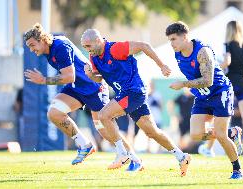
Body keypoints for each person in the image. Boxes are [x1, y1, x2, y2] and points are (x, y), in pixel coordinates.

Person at [23, 23, 141, 171]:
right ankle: (85, 145)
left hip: (92, 86)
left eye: (32, 45)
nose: (31, 49)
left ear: (42, 40)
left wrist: (44, 80)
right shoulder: (48, 51)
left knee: (104, 129)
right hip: (77, 88)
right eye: (29, 46)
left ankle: (135, 159)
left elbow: (70, 76)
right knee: (54, 113)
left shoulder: (59, 46)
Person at [81, 29, 191, 176]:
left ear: (98, 41)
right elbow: (100, 78)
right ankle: (182, 157)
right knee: (152, 132)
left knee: (103, 116)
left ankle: (123, 154)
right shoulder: (94, 57)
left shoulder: (115, 48)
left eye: (88, 46)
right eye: (84, 47)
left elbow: (144, 46)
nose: (86, 49)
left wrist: (162, 65)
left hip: (133, 91)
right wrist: (91, 75)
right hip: (127, 94)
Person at [165, 21, 243, 179]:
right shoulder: (178, 53)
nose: (171, 43)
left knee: (221, 135)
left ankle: (238, 170)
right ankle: (232, 132)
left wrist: (183, 84)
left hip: (220, 92)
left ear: (185, 36)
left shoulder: (202, 51)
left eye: (173, 39)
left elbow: (208, 80)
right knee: (195, 134)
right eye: (169, 40)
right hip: (202, 95)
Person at [221, 20, 243, 138]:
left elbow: (227, 62)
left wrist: (216, 68)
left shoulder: (228, 45)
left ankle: (223, 140)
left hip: (231, 82)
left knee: (224, 114)